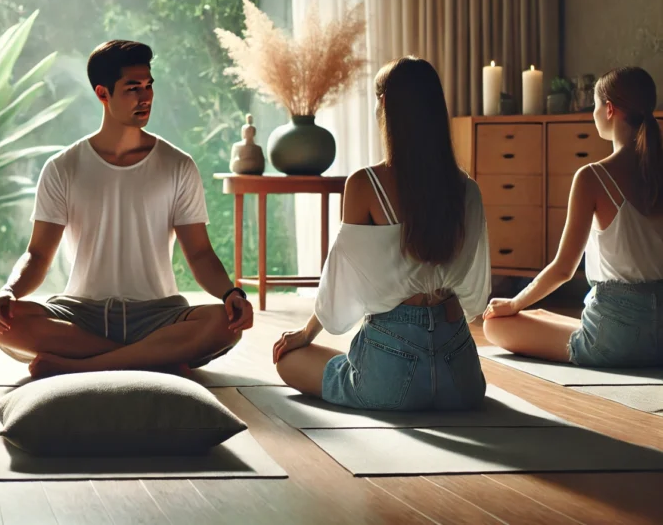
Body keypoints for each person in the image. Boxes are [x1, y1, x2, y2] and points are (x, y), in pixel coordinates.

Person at [0, 40, 253, 378]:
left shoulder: (178, 165)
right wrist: (7, 292)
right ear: (102, 93)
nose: (145, 97)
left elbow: (199, 253)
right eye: (132, 88)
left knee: (225, 324)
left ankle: (84, 365)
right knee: (3, 325)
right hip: (81, 315)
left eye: (148, 86)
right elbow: (37, 255)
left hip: (159, 314)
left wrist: (231, 293)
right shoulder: (62, 167)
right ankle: (156, 359)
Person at [273, 57, 492, 411]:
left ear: (385, 106)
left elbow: (343, 281)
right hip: (462, 379)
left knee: (288, 361)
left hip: (392, 373)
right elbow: (474, 291)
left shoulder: (365, 185)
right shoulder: (468, 189)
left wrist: (305, 334)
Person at [483, 67, 663, 366]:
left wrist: (514, 303)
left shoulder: (593, 177)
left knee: (495, 323)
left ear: (609, 109)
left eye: (594, 106)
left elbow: (563, 270)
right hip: (659, 338)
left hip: (615, 339)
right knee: (538, 315)